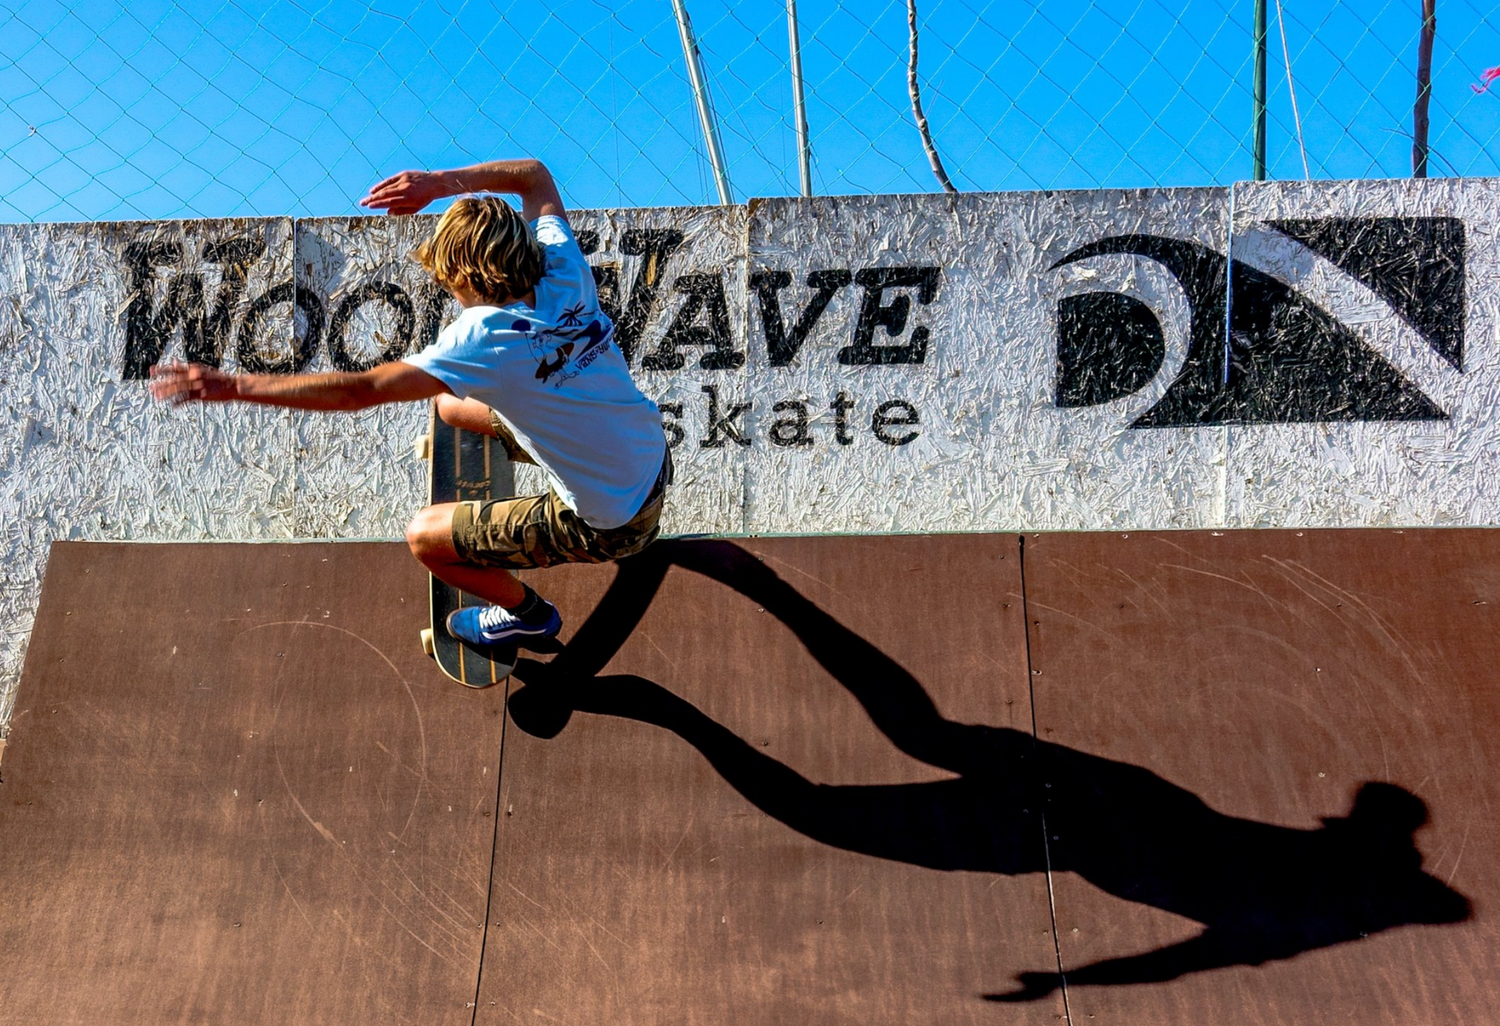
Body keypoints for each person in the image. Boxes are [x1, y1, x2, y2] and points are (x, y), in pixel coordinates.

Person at [150, 158, 670, 656]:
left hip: (615, 524)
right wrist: (438, 184)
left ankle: (529, 615)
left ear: (465, 274)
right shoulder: (561, 263)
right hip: (652, 455)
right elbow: (533, 176)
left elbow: (360, 391)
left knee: (424, 538)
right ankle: (542, 440)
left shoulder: (482, 338)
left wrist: (236, 387)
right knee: (449, 406)